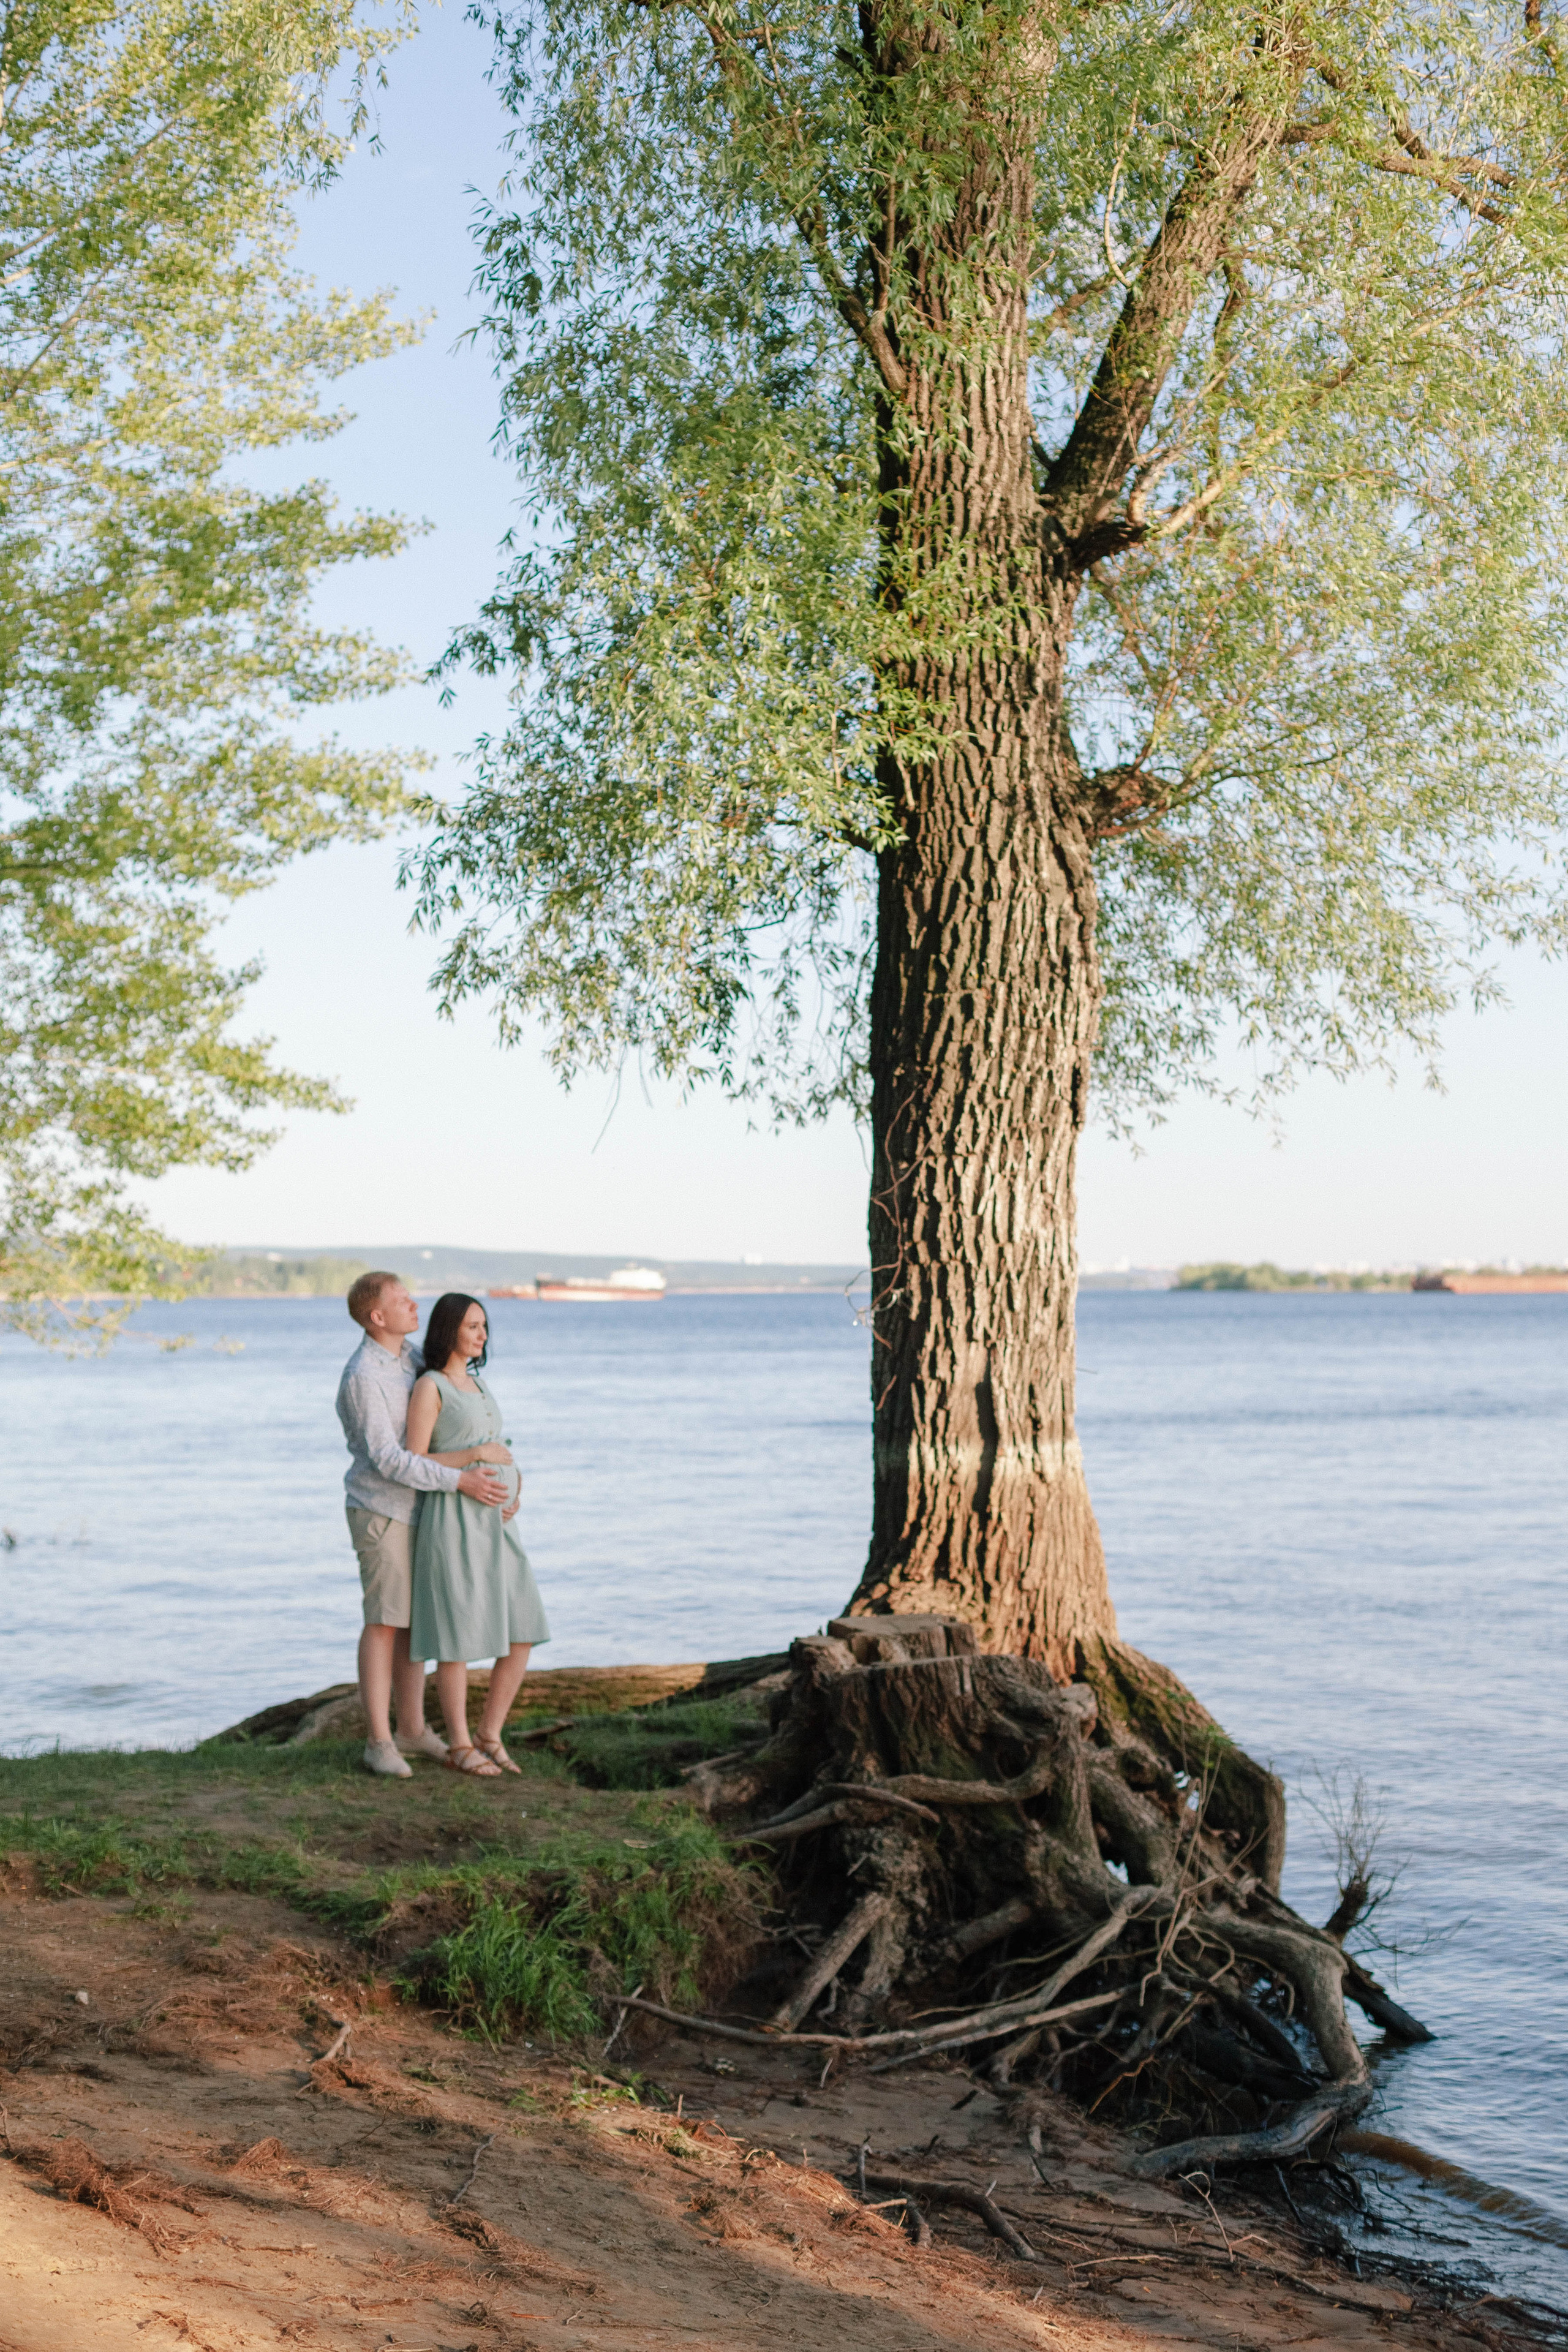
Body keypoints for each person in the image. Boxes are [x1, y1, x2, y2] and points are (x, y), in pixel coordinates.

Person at [336, 1272, 512, 1778]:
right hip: (383, 1510)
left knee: (415, 1627)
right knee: (384, 1622)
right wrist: (462, 1482)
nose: (415, 1305)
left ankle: (413, 1730)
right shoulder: (364, 1376)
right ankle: (378, 1741)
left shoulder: (411, 1358)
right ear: (377, 1317)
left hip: (424, 1510)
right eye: (402, 1301)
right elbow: (389, 1460)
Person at [405, 1292, 550, 1777]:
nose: (482, 1335)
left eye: (485, 1326)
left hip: (498, 1522)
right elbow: (415, 1459)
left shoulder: (479, 1385)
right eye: (472, 1326)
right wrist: (473, 1460)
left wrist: (517, 1487)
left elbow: (498, 1448)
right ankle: (460, 1744)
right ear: (449, 1330)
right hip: (454, 1520)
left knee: (523, 1628)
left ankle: (491, 1733)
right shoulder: (432, 1387)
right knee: (459, 1635)